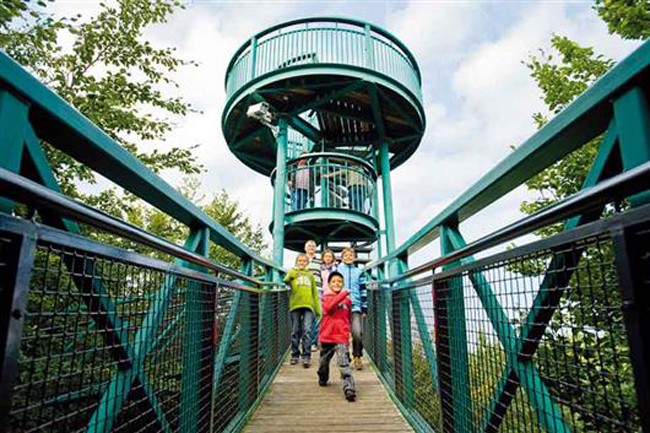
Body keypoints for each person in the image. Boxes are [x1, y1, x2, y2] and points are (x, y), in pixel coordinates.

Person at [318, 271, 356, 402]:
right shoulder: (326, 297)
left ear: (343, 283)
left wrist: (348, 333)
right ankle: (323, 377)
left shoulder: (347, 301)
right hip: (327, 336)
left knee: (343, 363)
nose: (337, 284)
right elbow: (329, 308)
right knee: (323, 363)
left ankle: (349, 388)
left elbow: (347, 317)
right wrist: (343, 293)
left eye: (339, 281)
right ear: (328, 284)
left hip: (341, 337)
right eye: (333, 281)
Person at [284, 253, 321, 367]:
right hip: (295, 305)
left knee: (307, 330)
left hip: (308, 306)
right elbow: (285, 280)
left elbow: (314, 293)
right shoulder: (293, 273)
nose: (302, 263)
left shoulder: (310, 275)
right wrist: (292, 271)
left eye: (304, 261)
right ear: (296, 262)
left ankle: (306, 356)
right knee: (295, 331)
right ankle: (295, 354)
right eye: (299, 261)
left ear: (307, 263)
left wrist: (318, 309)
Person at [339, 247, 366, 370]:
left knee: (357, 333)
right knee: (342, 334)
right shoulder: (337, 270)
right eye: (346, 255)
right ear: (342, 257)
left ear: (354, 257)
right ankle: (345, 356)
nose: (349, 257)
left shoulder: (359, 271)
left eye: (351, 255)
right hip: (341, 306)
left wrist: (364, 308)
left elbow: (363, 290)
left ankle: (357, 356)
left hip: (356, 306)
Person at [304, 240, 323, 351]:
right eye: (309, 246)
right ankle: (307, 341)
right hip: (305, 291)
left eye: (313, 246)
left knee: (318, 315)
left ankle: (313, 342)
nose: (311, 247)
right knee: (306, 316)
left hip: (318, 290)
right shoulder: (301, 260)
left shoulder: (319, 261)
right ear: (305, 248)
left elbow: (323, 275)